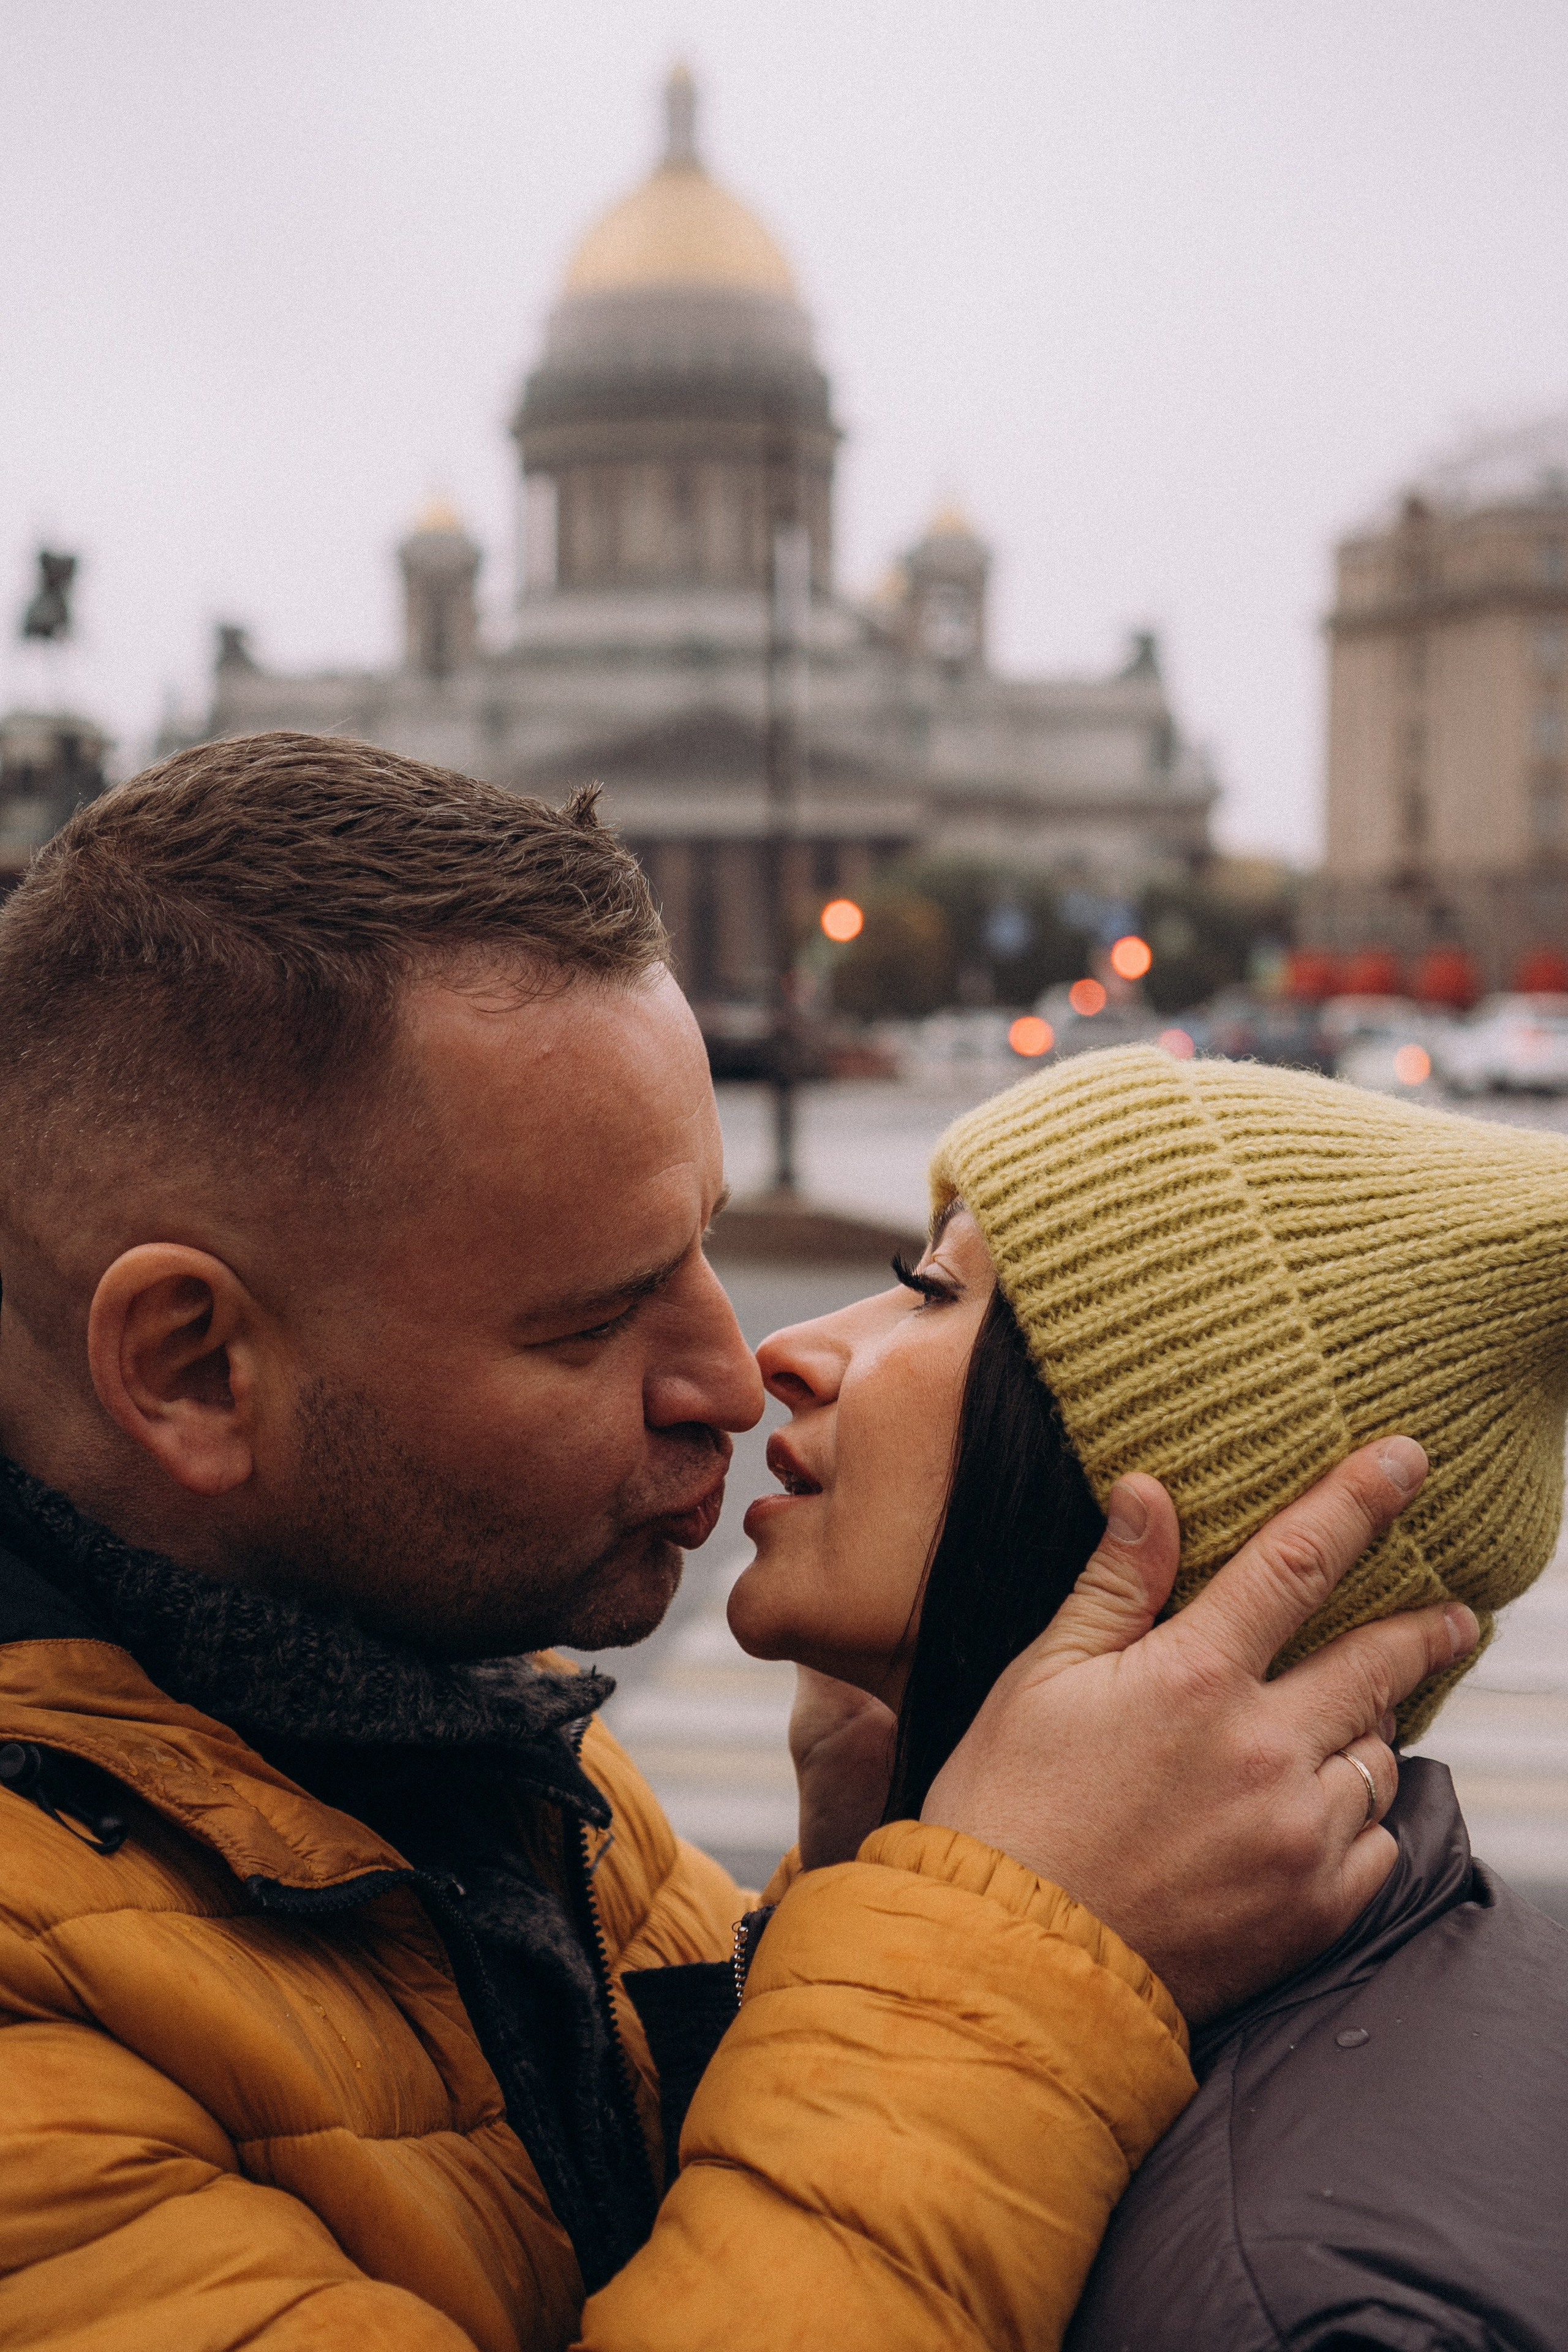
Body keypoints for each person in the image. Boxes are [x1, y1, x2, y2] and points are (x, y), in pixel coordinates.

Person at [0, 734, 1468, 2352]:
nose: (737, 1371)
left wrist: (860, 1869)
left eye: (701, 1247)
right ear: (196, 1367)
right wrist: (1017, 1950)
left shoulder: (454, 1706)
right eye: (590, 1320)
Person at [731, 1043, 1568, 2351]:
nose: (782, 1352)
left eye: (927, 1291)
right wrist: (871, 1876)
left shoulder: (1305, 2306)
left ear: (1167, 1508)